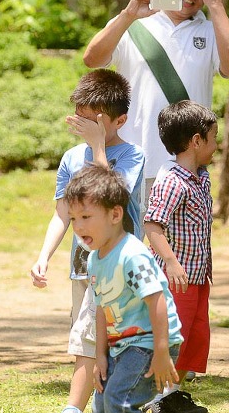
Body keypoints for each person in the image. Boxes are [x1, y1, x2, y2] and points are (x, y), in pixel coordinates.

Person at [83, 0, 229, 205]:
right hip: (130, 163)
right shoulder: (134, 22)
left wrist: (216, 5)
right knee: (125, 246)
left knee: (180, 248)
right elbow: (92, 59)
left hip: (185, 170)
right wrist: (128, 15)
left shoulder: (212, 31)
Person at [29, 70, 145, 413]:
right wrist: (44, 255)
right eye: (79, 118)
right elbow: (62, 214)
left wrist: (97, 145)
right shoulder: (70, 158)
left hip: (117, 264)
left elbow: (111, 195)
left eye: (93, 121)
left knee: (93, 339)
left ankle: (74, 408)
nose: (83, 127)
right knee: (90, 338)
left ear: (120, 120)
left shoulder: (132, 155)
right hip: (82, 266)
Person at [63, 164, 201, 413]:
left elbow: (157, 300)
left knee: (119, 399)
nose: (78, 227)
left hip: (150, 341)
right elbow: (102, 309)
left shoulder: (132, 255)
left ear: (115, 215)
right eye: (73, 218)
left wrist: (161, 351)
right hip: (122, 345)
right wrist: (100, 355)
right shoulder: (94, 259)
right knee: (102, 403)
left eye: (85, 217)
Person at [144, 101, 218, 402]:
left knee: (194, 335)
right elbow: (153, 225)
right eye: (213, 138)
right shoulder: (172, 181)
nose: (217, 145)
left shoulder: (201, 177)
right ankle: (157, 396)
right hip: (176, 278)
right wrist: (172, 263)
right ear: (196, 141)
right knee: (174, 335)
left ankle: (172, 392)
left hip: (198, 276)